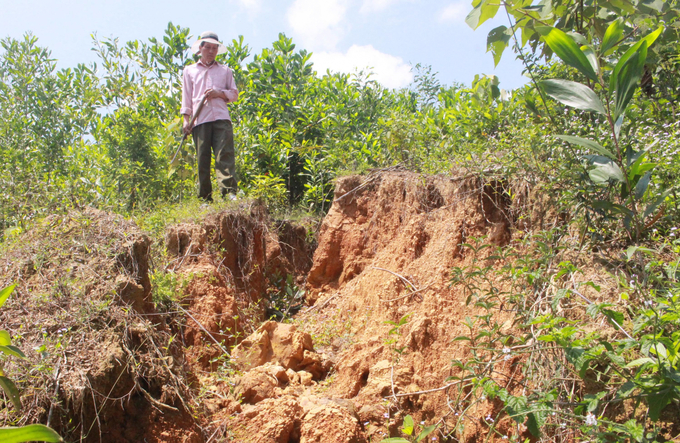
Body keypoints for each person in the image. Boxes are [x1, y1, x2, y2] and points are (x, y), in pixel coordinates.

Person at [181, 31, 239, 201]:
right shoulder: (189, 71)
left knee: (225, 155)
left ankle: (229, 193)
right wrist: (186, 120)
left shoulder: (225, 70)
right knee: (202, 159)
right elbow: (187, 97)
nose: (211, 51)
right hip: (200, 120)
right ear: (201, 49)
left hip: (221, 118)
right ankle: (204, 199)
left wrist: (218, 93)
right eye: (208, 48)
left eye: (214, 48)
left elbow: (234, 94)